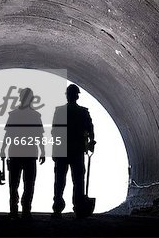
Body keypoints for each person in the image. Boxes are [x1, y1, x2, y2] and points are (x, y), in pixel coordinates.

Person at [51, 84, 96, 218]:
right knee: (78, 180)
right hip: (77, 151)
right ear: (76, 96)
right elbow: (90, 129)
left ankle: (58, 208)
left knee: (60, 181)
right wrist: (91, 142)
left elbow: (55, 132)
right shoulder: (83, 112)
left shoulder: (59, 111)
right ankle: (79, 207)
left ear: (67, 95)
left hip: (62, 152)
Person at [0, 88, 45, 219]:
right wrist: (42, 151)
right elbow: (39, 136)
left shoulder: (14, 114)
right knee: (28, 183)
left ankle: (14, 210)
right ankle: (25, 210)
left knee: (14, 184)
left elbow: (8, 134)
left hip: (16, 153)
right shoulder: (35, 115)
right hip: (29, 153)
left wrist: (3, 149)